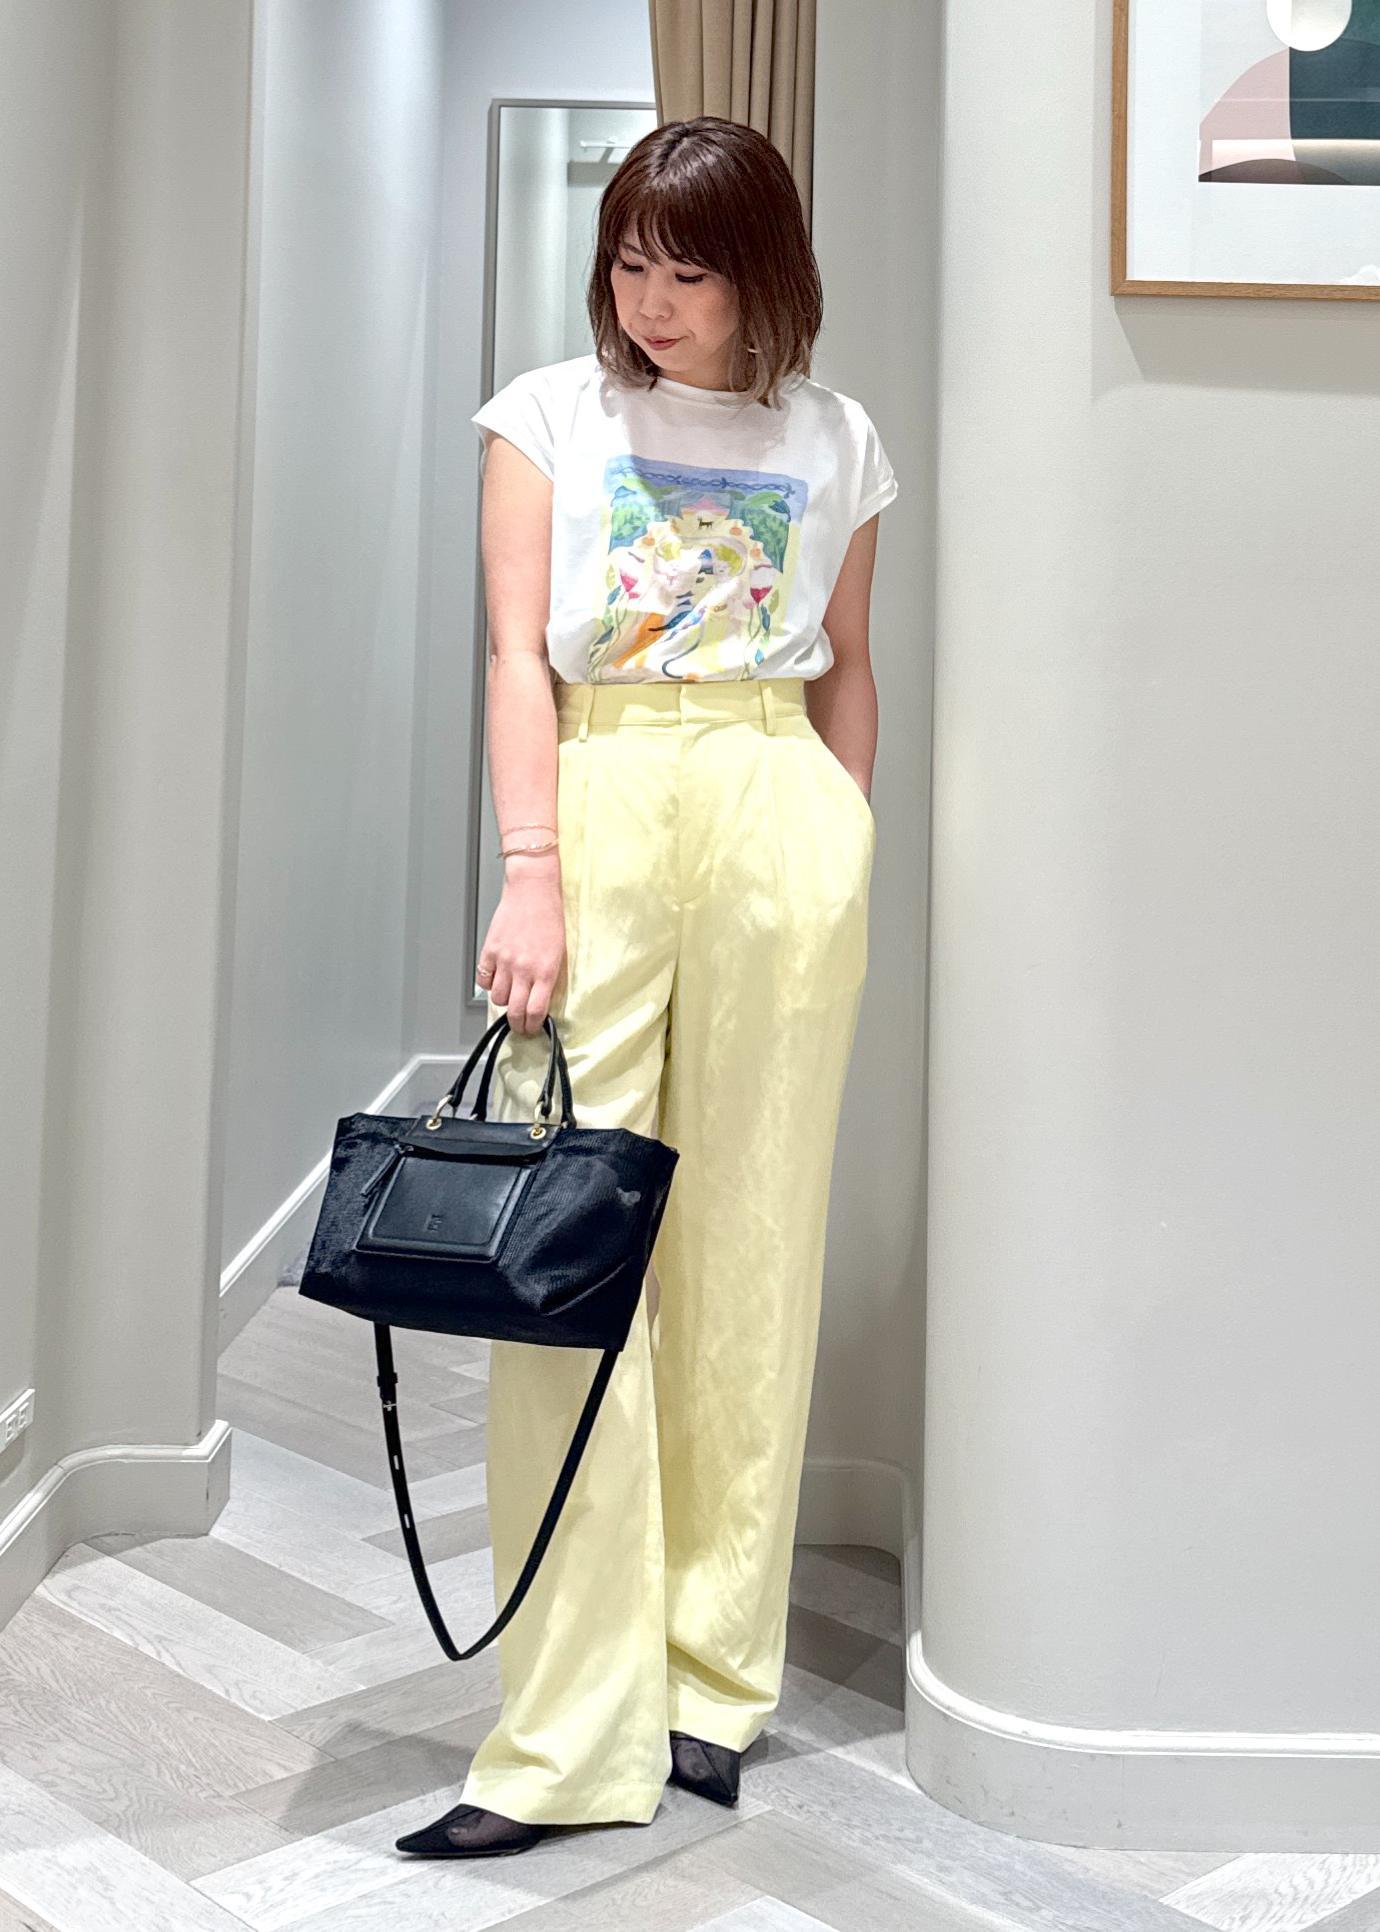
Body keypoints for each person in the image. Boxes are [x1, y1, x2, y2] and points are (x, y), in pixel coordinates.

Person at [396, 113, 898, 1861]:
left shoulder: (836, 437)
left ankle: (710, 1685)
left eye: (691, 269)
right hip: (602, 795)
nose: (652, 300)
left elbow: (848, 667)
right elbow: (511, 654)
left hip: (774, 807)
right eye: (630, 261)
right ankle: (562, 1731)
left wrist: (842, 841)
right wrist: (530, 870)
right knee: (567, 1257)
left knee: (753, 1251)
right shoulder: (546, 415)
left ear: (763, 276)